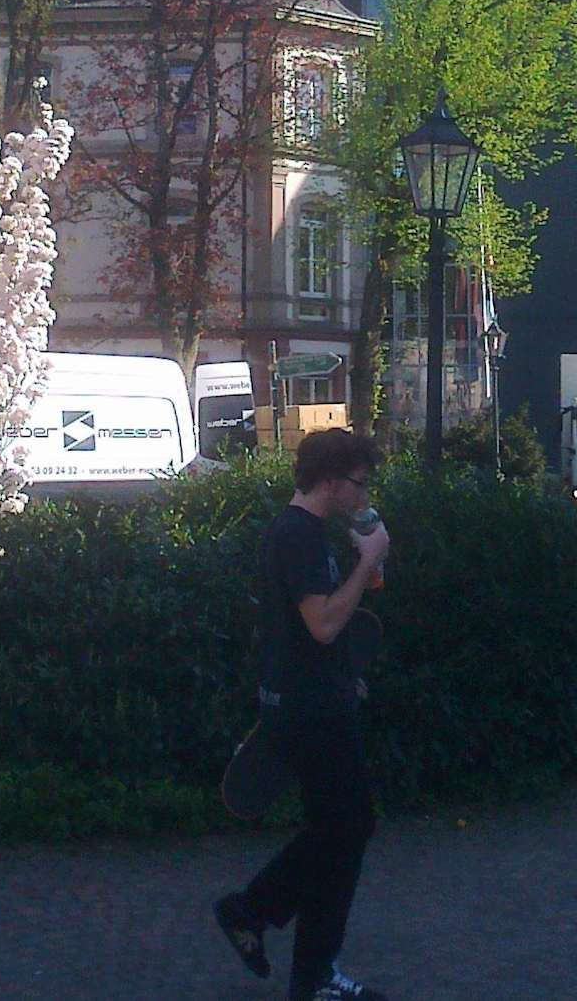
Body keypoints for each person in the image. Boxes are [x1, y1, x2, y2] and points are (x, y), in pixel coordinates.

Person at [215, 427, 393, 1001]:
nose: (364, 496)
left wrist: (345, 676)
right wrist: (369, 561)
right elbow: (323, 624)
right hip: (309, 711)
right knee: (347, 828)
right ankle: (264, 922)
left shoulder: (306, 534)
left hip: (315, 700)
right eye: (359, 484)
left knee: (340, 832)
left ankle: (301, 960)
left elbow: (311, 632)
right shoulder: (297, 536)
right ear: (332, 481)